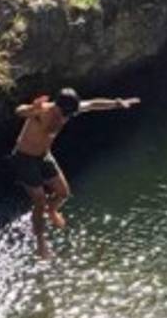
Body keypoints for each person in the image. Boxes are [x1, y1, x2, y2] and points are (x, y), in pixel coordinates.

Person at [14, 87, 140, 257]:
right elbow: (19, 111)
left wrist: (117, 103)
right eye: (63, 113)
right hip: (25, 159)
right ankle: (40, 243)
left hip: (44, 156)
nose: (65, 117)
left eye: (69, 114)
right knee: (39, 201)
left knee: (63, 193)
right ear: (56, 106)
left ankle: (51, 211)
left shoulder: (70, 110)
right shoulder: (41, 112)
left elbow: (94, 104)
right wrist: (31, 108)